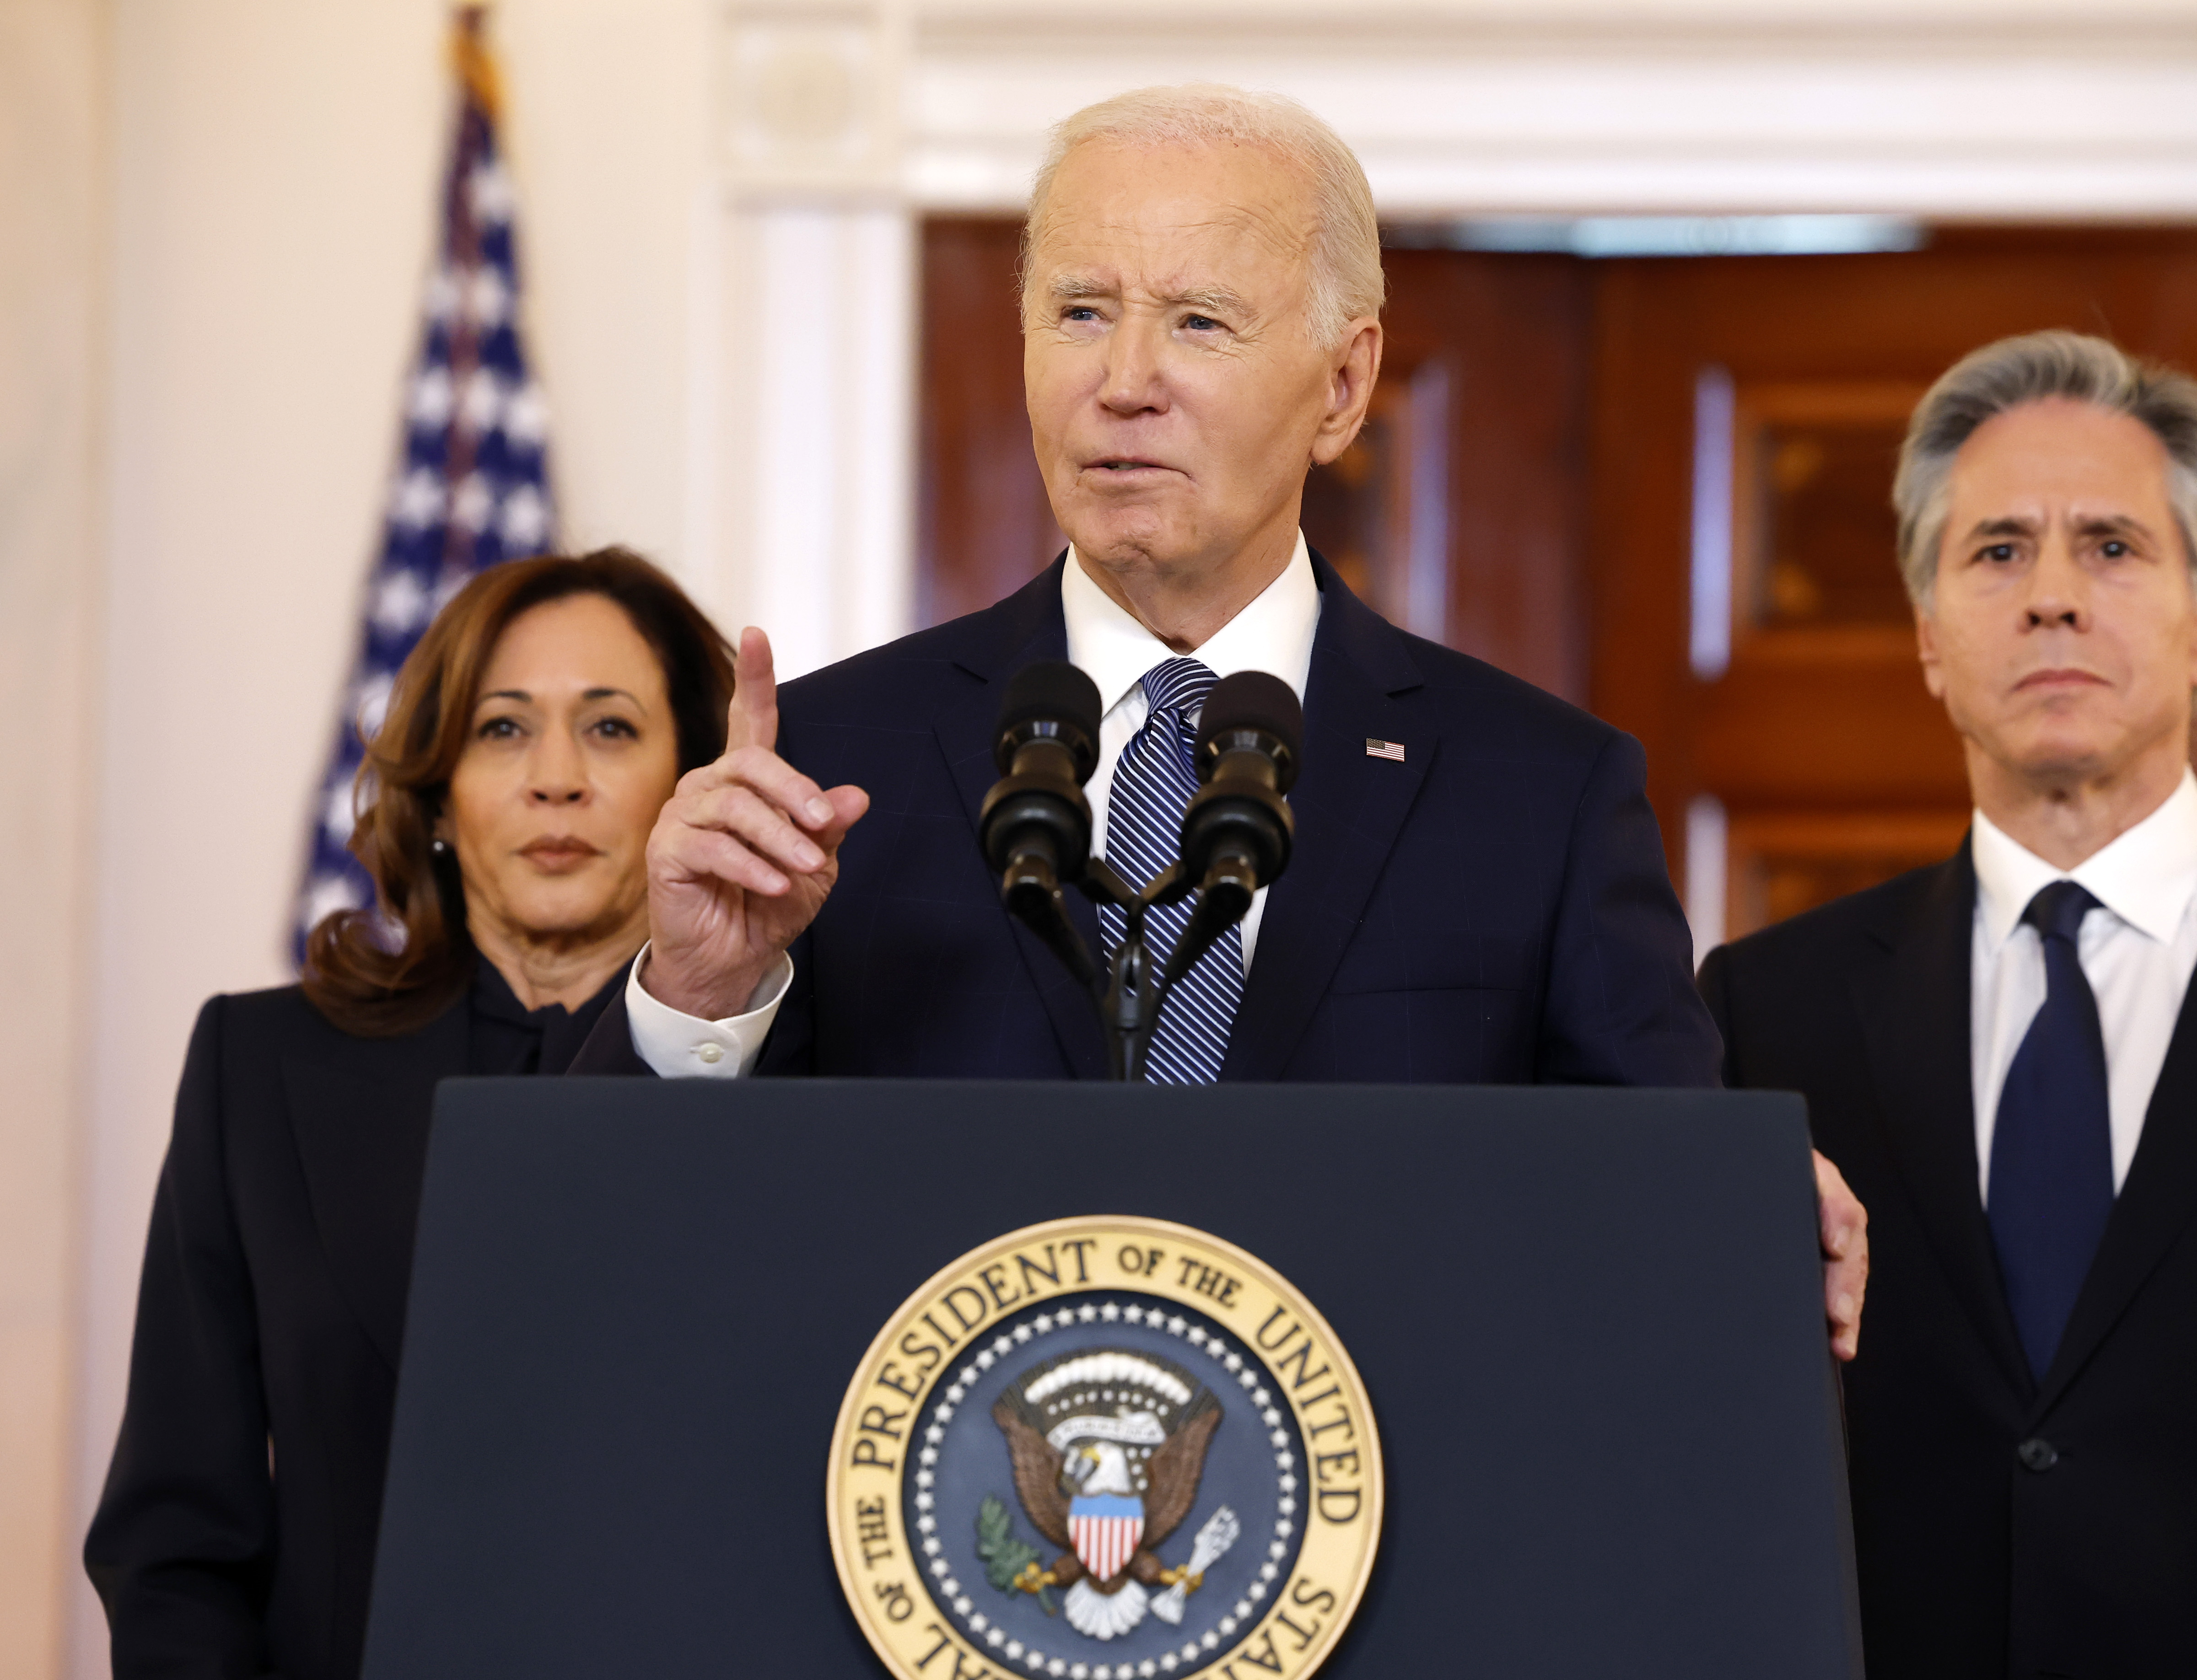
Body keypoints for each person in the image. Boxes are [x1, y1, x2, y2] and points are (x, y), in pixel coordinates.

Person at [569, 83, 1867, 1353]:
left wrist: (1735, 1205)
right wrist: (696, 997)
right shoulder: (824, 764)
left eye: (1197, 322)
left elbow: (1651, 1216)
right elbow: (621, 1266)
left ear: (1344, 386)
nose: (1124, 381)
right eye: (1079, 311)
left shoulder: (1539, 792)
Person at [1697, 330, 2197, 1678]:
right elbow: (1721, 1461)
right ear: (1925, 632)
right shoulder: (1764, 1007)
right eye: (1997, 550)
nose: (2053, 597)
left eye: (2112, 546)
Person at [86, 548, 734, 1680]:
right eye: (501, 729)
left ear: (695, 783)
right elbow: (176, 1544)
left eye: (613, 728)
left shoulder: (791, 1072)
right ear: (436, 795)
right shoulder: (261, 1068)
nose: (556, 780)